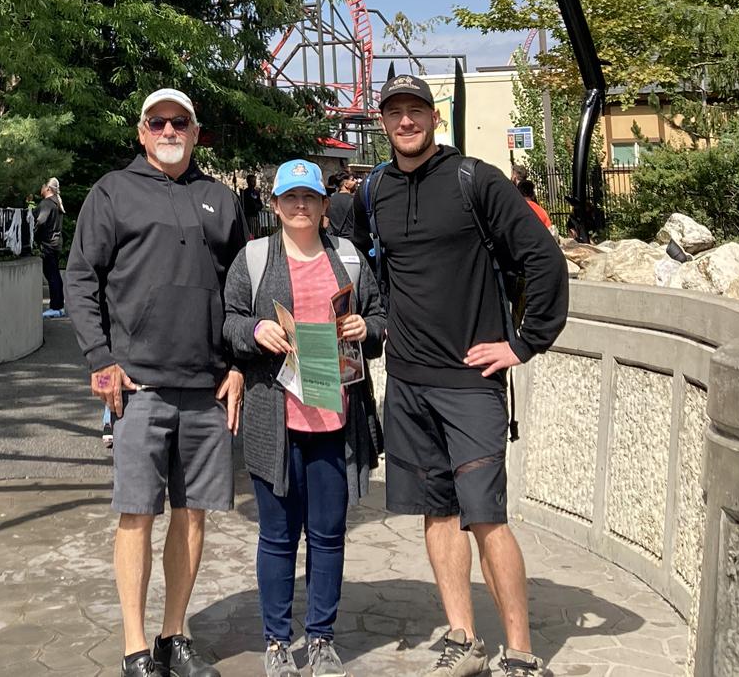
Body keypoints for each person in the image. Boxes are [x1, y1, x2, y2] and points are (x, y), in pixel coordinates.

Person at [363, 74, 568, 677]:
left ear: (434, 118)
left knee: (487, 517)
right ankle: (462, 639)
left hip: (470, 382)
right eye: (395, 112)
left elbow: (543, 258)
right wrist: (375, 326)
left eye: (416, 111)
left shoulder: (474, 179)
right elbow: (360, 269)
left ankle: (522, 653)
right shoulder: (373, 190)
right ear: (382, 122)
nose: (406, 121)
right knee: (438, 513)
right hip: (406, 381)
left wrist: (523, 345)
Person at [65, 88, 248, 677]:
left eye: (181, 122)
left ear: (196, 133)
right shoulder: (112, 193)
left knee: (193, 514)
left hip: (207, 387)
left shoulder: (221, 199)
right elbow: (80, 279)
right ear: (142, 133)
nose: (169, 130)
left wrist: (240, 363)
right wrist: (100, 357)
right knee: (137, 515)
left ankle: (174, 634)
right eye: (158, 122)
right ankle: (135, 646)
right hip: (137, 386)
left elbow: (243, 290)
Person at [223, 159, 385, 677]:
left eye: (309, 198)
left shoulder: (349, 259)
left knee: (328, 533)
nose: (300, 206)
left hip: (335, 420)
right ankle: (276, 642)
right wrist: (253, 333)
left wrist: (367, 327)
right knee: (276, 535)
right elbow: (226, 321)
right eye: (290, 198)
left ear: (322, 204)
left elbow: (382, 317)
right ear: (275, 205)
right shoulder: (252, 259)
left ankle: (320, 638)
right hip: (277, 416)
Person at [36, 177, 67, 318]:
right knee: (55, 275)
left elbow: (40, 222)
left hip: (47, 244)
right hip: (56, 244)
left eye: (43, 186)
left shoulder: (47, 204)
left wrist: (33, 234)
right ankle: (59, 306)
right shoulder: (57, 203)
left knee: (52, 276)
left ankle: (55, 307)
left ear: (48, 188)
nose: (40, 188)